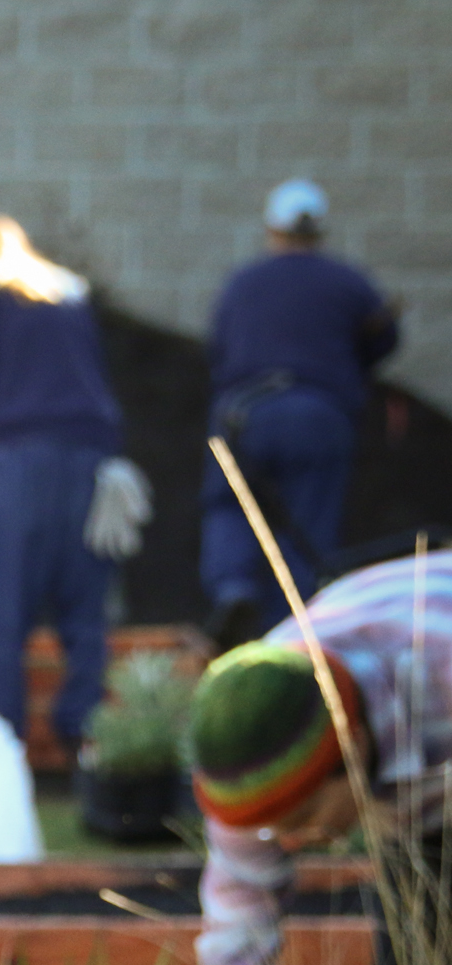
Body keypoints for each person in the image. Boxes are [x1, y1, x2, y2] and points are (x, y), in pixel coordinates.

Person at [190, 554, 452, 965]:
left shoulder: (441, 671)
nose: (286, 843)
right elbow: (238, 931)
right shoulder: (252, 738)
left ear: (350, 751)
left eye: (302, 818)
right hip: (409, 776)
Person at [0, 214, 145, 755]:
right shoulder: (66, 293)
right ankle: (89, 741)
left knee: (3, 610)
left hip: (16, 467)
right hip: (92, 464)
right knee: (84, 609)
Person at [200, 179, 402, 646]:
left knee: (231, 506)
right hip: (318, 413)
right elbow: (384, 341)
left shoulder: (242, 282)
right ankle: (292, 633)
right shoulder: (348, 282)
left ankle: (233, 588)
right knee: (307, 527)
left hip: (243, 414)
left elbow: (219, 351)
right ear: (320, 232)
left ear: (272, 229)